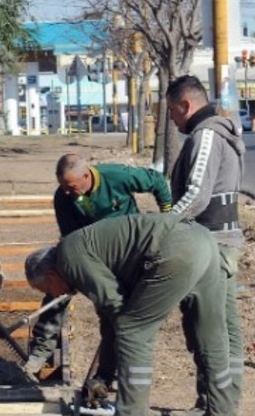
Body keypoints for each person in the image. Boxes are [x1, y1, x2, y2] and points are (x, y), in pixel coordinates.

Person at [24, 214, 239, 416]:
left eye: (46, 289)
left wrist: (105, 374)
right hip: (203, 240)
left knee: (132, 330)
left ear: (50, 274)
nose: (56, 296)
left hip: (175, 248)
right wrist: (104, 375)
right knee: (209, 334)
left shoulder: (70, 256)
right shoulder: (83, 248)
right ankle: (223, 415)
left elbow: (116, 311)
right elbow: (110, 313)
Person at [23, 154, 174, 382]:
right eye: (62, 187)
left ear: (86, 176)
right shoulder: (63, 198)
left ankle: (113, 372)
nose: (66, 191)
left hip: (129, 253)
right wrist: (76, 275)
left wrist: (168, 217)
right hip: (91, 254)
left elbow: (156, 181)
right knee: (57, 289)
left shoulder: (116, 176)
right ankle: (40, 352)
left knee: (113, 312)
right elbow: (70, 238)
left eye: (70, 186)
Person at [166, 75, 247, 416]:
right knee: (221, 326)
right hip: (219, 241)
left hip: (211, 244)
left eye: (172, 111)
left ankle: (217, 406)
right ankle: (218, 401)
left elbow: (197, 194)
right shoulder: (218, 131)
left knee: (210, 328)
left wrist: (161, 227)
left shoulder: (207, 135)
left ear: (186, 105)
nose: (171, 120)